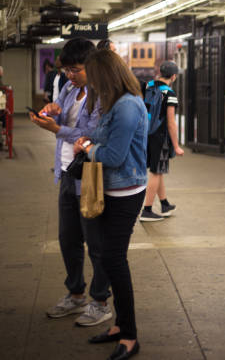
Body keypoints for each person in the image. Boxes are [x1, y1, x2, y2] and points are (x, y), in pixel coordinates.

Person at [30, 38, 113, 326]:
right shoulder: (68, 87)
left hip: (89, 174)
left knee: (96, 241)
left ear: (91, 65)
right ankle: (76, 294)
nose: (70, 75)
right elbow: (67, 120)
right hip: (66, 171)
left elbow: (91, 134)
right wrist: (54, 110)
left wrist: (57, 128)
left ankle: (100, 300)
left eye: (75, 70)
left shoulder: (102, 93)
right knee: (68, 239)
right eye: (66, 70)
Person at [74, 49, 147, 360]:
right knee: (105, 257)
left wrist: (88, 148)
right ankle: (120, 325)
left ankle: (129, 336)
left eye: (93, 78)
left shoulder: (127, 107)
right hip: (112, 190)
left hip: (125, 192)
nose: (90, 85)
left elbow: (114, 157)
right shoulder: (114, 103)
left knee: (115, 261)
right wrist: (88, 140)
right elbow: (101, 135)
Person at [139, 61, 184, 222]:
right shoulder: (170, 94)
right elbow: (171, 123)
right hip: (160, 136)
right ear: (173, 76)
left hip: (145, 134)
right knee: (156, 172)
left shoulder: (148, 86)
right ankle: (147, 210)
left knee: (158, 170)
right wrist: (177, 146)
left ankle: (164, 204)